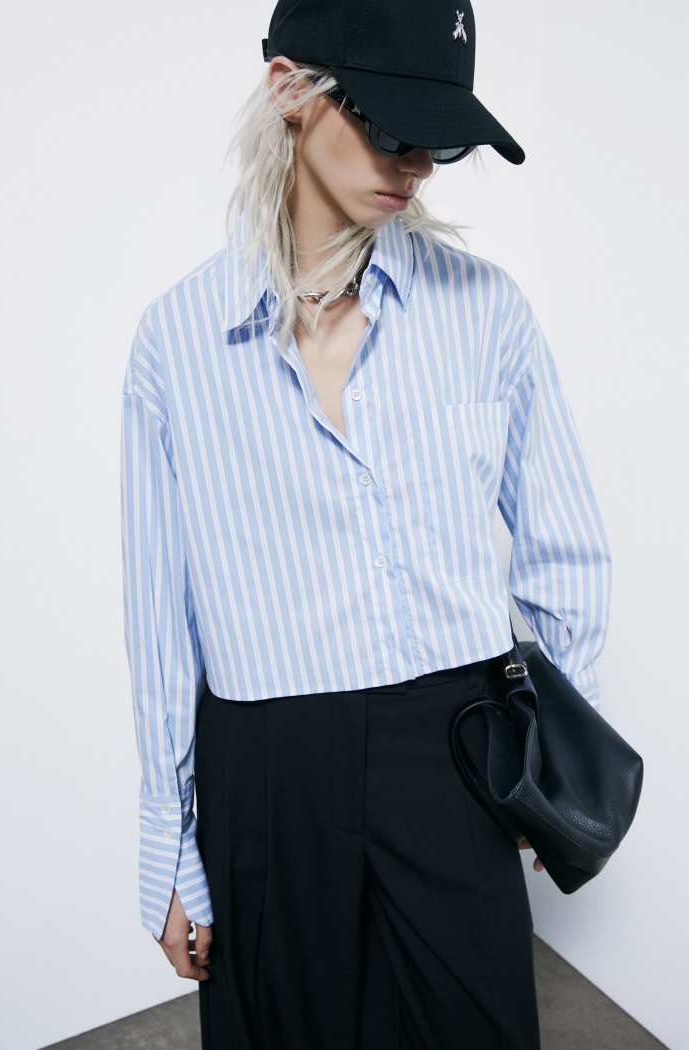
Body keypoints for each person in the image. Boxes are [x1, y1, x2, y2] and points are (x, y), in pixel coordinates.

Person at [119, 1, 612, 1047]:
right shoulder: (176, 342)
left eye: (439, 139)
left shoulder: (486, 313)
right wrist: (170, 841)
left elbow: (565, 550)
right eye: (391, 125)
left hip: (456, 744)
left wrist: (552, 761)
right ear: (290, 91)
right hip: (266, 767)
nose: (415, 162)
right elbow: (161, 616)